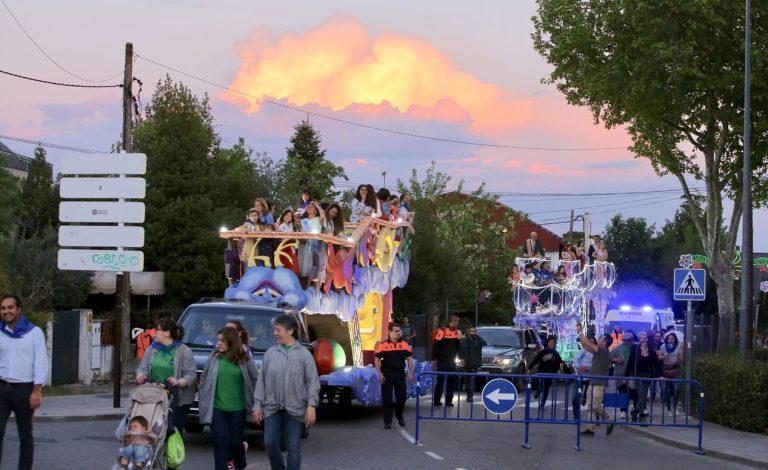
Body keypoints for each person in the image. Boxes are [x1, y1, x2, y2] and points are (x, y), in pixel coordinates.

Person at [254, 314, 320, 470]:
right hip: (272, 407)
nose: (275, 333)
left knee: (293, 448)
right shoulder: (270, 354)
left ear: (290, 331)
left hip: (296, 408)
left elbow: (312, 381)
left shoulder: (304, 355)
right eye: (274, 330)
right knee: (270, 442)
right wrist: (257, 406)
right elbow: (261, 381)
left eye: (278, 330)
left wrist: (312, 405)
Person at [199, 327, 258, 470]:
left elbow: (255, 378)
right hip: (217, 407)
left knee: (235, 442)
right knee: (220, 441)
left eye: (222, 341)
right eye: (218, 340)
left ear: (231, 342)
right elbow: (204, 376)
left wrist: (257, 403)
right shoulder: (214, 356)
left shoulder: (244, 358)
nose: (218, 343)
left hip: (238, 408)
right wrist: (203, 393)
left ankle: (240, 464)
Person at [0, 295, 47, 470]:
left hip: (25, 390)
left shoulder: (34, 333)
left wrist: (37, 391)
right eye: (3, 308)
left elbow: (40, 363)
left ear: (18, 310)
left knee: (25, 435)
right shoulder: (0, 332)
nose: (6, 311)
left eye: (10, 307)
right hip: (2, 389)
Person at [135, 318, 196, 441]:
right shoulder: (151, 349)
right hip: (155, 396)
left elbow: (191, 375)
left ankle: (171, 457)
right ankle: (154, 456)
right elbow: (142, 369)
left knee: (172, 433)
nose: (153, 332)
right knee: (153, 431)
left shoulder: (184, 351)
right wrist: (140, 375)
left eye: (157, 330)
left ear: (167, 333)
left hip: (177, 399)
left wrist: (178, 381)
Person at [575, 323, 615, 436]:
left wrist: (580, 332)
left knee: (595, 406)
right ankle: (590, 428)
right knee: (590, 406)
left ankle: (609, 419)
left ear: (605, 342)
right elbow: (586, 346)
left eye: (601, 338)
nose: (599, 339)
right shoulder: (600, 351)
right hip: (593, 382)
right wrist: (581, 335)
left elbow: (588, 344)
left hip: (599, 383)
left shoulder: (603, 351)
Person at [374, 322, 414, 429]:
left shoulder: (404, 344)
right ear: (390, 332)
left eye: (399, 331)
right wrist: (380, 374)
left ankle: (399, 415)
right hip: (387, 373)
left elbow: (409, 359)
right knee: (386, 398)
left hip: (400, 373)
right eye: (396, 331)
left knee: (402, 397)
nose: (398, 333)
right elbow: (376, 359)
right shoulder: (383, 345)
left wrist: (411, 372)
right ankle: (388, 421)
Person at [624, 331, 661, 423]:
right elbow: (630, 362)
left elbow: (656, 365)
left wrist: (660, 376)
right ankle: (641, 416)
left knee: (643, 395)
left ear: (647, 338)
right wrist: (626, 376)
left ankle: (635, 411)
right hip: (637, 375)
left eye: (644, 334)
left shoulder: (651, 351)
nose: (641, 335)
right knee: (642, 393)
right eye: (641, 334)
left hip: (647, 375)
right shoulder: (635, 348)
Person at [527, 335, 564, 413]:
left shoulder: (556, 353)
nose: (552, 344)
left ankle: (542, 405)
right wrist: (529, 367)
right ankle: (537, 390)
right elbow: (536, 360)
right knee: (537, 382)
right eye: (550, 342)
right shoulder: (543, 352)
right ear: (547, 343)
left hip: (551, 373)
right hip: (541, 372)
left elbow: (560, 362)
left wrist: (560, 366)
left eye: (553, 343)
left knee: (546, 389)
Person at [431, 314, 462, 407]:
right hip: (442, 360)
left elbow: (458, 346)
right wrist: (433, 359)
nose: (458, 323)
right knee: (441, 381)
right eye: (457, 321)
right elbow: (435, 345)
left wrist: (461, 357)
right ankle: (436, 401)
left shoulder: (456, 332)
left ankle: (448, 401)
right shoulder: (442, 331)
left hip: (452, 360)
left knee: (452, 381)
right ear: (454, 321)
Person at [610, 329, 636, 420]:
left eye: (628, 340)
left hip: (632, 374)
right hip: (620, 373)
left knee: (633, 391)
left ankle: (633, 407)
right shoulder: (618, 348)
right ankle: (623, 411)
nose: (626, 342)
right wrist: (615, 360)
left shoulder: (636, 348)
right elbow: (610, 357)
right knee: (622, 392)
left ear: (632, 340)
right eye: (624, 340)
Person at [657, 331, 683, 416]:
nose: (670, 340)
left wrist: (681, 351)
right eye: (669, 338)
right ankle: (668, 409)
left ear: (675, 340)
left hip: (675, 369)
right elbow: (659, 357)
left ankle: (674, 408)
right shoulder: (663, 346)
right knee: (667, 390)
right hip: (666, 369)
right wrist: (663, 357)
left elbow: (681, 360)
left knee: (676, 389)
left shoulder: (678, 347)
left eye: (672, 339)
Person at [459, 327, 487, 402]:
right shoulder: (464, 340)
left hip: (474, 364)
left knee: (471, 381)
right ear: (468, 332)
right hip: (466, 364)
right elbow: (460, 350)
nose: (472, 333)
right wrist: (461, 358)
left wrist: (477, 336)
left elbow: (485, 344)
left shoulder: (478, 340)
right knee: (467, 381)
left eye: (474, 331)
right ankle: (468, 395)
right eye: (471, 331)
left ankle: (470, 397)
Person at [570, 335, 595, 419]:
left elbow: (598, 365)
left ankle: (595, 418)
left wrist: (588, 368)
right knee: (574, 397)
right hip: (579, 376)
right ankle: (575, 416)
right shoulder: (583, 350)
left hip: (590, 377)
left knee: (591, 397)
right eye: (589, 342)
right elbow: (575, 359)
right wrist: (578, 367)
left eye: (592, 343)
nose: (590, 344)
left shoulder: (597, 352)